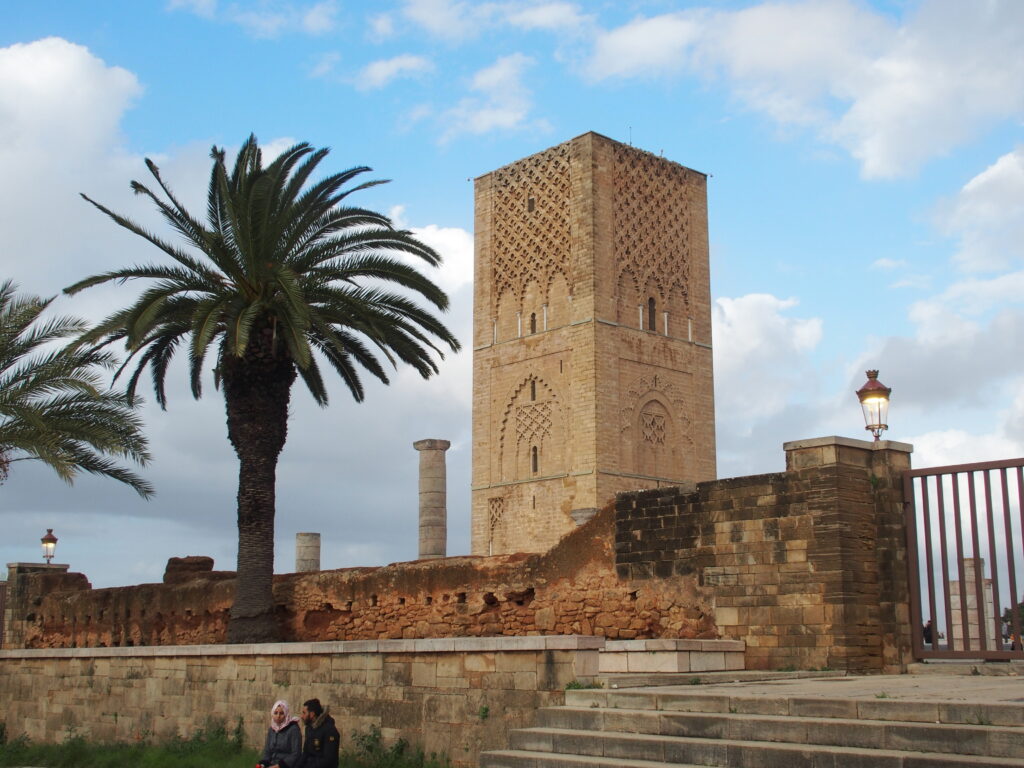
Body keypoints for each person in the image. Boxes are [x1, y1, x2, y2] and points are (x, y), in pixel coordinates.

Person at [295, 698, 339, 768]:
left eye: (304, 713)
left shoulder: (330, 731)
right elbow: (305, 753)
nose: (301, 716)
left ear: (312, 714)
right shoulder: (309, 728)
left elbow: (328, 760)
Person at [258, 700, 302, 768]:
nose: (278, 716)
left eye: (281, 713)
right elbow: (267, 751)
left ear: (286, 714)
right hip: (272, 764)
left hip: (287, 765)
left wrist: (279, 766)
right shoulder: (271, 729)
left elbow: (296, 754)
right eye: (275, 713)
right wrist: (263, 764)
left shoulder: (293, 729)